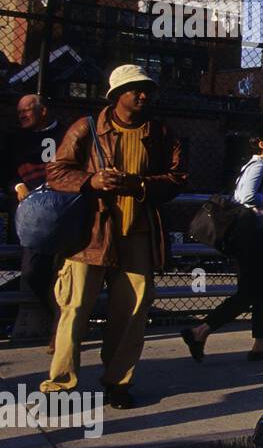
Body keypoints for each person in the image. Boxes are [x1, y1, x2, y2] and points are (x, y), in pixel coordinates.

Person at [42, 65, 187, 407]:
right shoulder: (86, 127)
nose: (143, 95)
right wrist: (90, 182)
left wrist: (139, 184)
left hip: (137, 233)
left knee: (132, 311)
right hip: (89, 236)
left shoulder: (161, 132)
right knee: (75, 308)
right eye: (135, 89)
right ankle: (60, 384)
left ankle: (118, 382)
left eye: (147, 89)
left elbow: (179, 178)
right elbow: (56, 171)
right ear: (116, 95)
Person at [181, 126, 263, 362]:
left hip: (253, 239)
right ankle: (200, 331)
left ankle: (260, 344)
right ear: (262, 144)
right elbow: (245, 197)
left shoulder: (259, 166)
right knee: (251, 292)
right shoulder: (259, 166)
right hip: (254, 240)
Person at [10, 94, 63, 325]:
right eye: (19, 112)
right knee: (33, 269)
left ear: (43, 111)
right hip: (31, 212)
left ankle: (60, 323)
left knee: (61, 267)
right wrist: (18, 185)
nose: (21, 116)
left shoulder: (66, 134)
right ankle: (45, 315)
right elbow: (6, 168)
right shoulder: (16, 139)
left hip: (62, 208)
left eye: (27, 111)